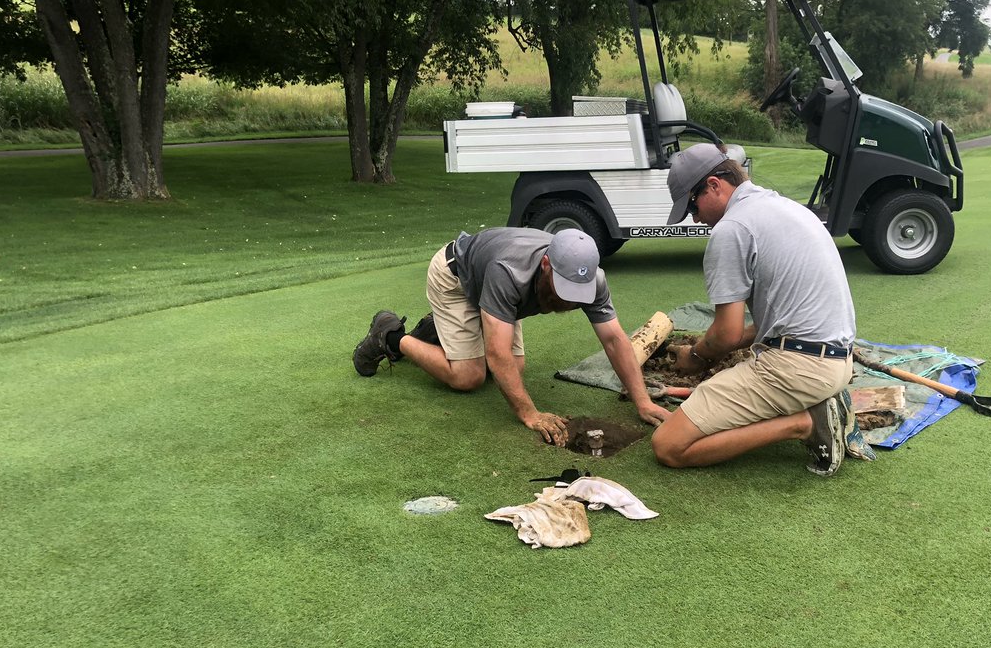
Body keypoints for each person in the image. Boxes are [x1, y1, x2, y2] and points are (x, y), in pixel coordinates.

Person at [353, 227, 671, 445]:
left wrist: (642, 401)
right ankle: (391, 336)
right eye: (565, 290)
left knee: (513, 372)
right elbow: (497, 354)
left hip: (497, 294)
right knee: (469, 376)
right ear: (546, 265)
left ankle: (440, 331)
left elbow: (615, 340)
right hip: (455, 276)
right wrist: (529, 413)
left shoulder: (592, 281)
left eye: (579, 293)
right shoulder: (510, 272)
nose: (571, 301)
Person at [650, 143, 857, 476]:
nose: (696, 218)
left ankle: (804, 422)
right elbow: (767, 326)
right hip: (837, 360)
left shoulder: (732, 229)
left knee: (669, 445)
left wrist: (698, 355)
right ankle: (819, 399)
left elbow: (726, 334)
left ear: (715, 185)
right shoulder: (784, 206)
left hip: (798, 369)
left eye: (692, 206)